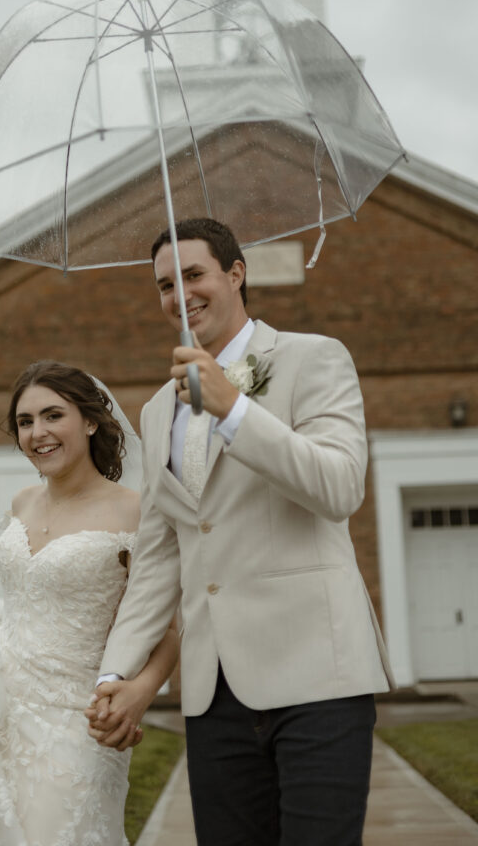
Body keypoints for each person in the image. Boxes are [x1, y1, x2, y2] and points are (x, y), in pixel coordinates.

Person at [87, 218, 395, 846]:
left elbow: (340, 488)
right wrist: (115, 673)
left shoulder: (314, 357)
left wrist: (235, 410)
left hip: (318, 676)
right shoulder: (156, 410)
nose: (180, 296)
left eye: (193, 275)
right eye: (165, 285)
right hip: (212, 693)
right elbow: (156, 558)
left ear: (236, 273)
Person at [0, 360, 178, 846]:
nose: (38, 432)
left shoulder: (137, 509)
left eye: (52, 415)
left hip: (79, 720)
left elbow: (168, 628)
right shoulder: (20, 502)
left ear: (89, 420)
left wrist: (140, 694)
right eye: (25, 421)